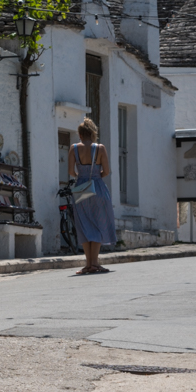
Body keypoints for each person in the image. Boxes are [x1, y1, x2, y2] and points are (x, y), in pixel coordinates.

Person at [68, 117, 117, 275]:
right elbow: (106, 171)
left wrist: (81, 177)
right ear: (93, 133)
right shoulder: (100, 148)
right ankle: (95, 263)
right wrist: (95, 177)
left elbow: (71, 171)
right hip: (97, 187)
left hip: (81, 188)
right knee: (98, 223)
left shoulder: (74, 148)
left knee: (84, 224)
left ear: (80, 135)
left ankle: (88, 264)